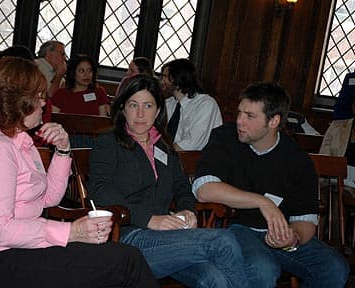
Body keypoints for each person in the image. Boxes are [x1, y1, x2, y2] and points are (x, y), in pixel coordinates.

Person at [0, 57, 158, 288]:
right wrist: (70, 232)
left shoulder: (17, 140)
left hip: (22, 248)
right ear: (17, 101)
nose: (45, 103)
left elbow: (48, 199)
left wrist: (63, 150)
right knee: (126, 261)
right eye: (38, 97)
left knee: (117, 259)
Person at [88, 74, 248, 288]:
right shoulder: (108, 143)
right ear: (123, 108)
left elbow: (182, 186)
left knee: (215, 279)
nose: (140, 113)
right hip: (128, 236)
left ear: (158, 111)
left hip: (167, 236)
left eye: (148, 105)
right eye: (133, 104)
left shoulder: (163, 145)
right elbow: (99, 190)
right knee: (223, 241)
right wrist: (148, 219)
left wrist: (187, 210)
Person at [193, 82, 349, 287]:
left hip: (280, 234)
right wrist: (262, 202)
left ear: (274, 121)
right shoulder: (225, 137)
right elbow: (204, 189)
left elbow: (306, 218)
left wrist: (293, 239)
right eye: (240, 113)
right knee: (263, 269)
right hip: (234, 227)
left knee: (334, 267)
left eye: (250, 116)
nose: (240, 121)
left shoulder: (296, 159)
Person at [162, 58, 222, 151]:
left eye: (165, 77)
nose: (162, 82)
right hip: (171, 156)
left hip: (194, 160)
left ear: (177, 79)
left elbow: (191, 145)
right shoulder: (169, 103)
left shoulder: (206, 104)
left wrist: (163, 153)